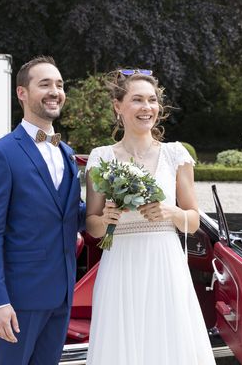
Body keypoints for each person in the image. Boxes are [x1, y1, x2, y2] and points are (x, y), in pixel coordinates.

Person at [85, 69, 216, 365]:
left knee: (167, 344)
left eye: (152, 100)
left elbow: (193, 220)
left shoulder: (175, 154)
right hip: (120, 263)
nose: (147, 107)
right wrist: (106, 219)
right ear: (118, 106)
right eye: (137, 100)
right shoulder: (101, 157)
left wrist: (169, 212)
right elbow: (91, 226)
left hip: (164, 263)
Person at [0, 56, 86, 365]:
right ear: (22, 93)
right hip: (19, 298)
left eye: (60, 85)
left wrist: (107, 210)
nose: (55, 91)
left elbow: (69, 216)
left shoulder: (66, 152)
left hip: (62, 294)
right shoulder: (3, 153)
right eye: (45, 84)